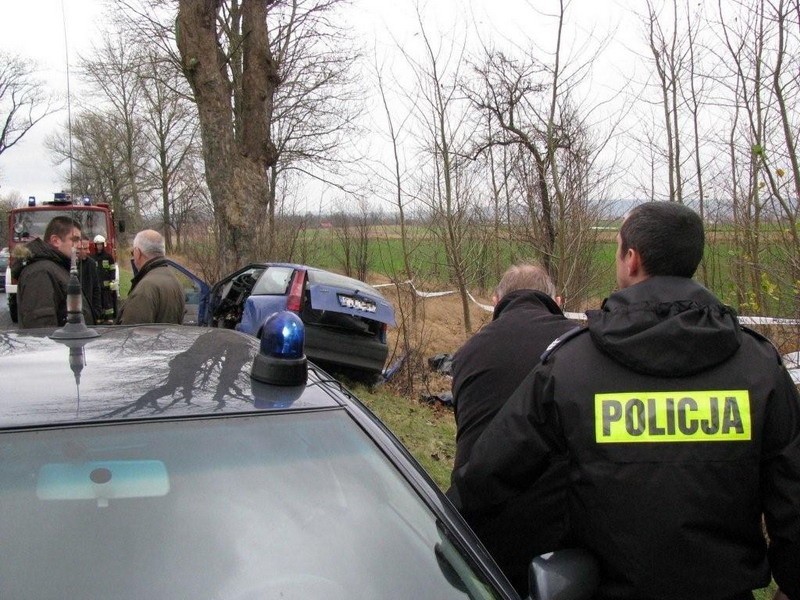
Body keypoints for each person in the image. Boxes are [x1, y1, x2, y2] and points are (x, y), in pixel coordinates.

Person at [449, 202, 800, 600]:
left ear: (631, 259)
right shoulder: (759, 367)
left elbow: (484, 476)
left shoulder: (571, 365)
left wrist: (440, 541)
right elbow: (792, 497)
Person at [448, 263, 578, 594]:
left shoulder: (468, 353)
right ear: (557, 300)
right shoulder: (579, 347)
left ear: (496, 300)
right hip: (561, 545)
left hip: (478, 532)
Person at [14, 216, 95, 328]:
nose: (80, 246)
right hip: (59, 345)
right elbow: (41, 332)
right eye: (75, 240)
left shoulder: (56, 268)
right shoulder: (41, 273)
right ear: (55, 241)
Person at [116, 229, 185, 325]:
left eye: (133, 253)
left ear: (137, 252)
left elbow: (131, 333)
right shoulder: (175, 280)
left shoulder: (145, 288)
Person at [77, 236, 102, 323]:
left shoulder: (91, 264)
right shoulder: (67, 266)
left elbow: (96, 288)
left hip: (89, 315)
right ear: (77, 248)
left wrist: (96, 312)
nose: (88, 251)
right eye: (86, 248)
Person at [93, 234, 117, 323]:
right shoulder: (93, 258)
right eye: (98, 244)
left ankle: (109, 318)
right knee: (98, 302)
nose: (99, 246)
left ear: (103, 245)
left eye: (101, 244)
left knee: (108, 302)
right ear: (95, 245)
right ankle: (100, 317)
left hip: (107, 286)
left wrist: (112, 281)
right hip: (97, 285)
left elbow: (112, 269)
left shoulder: (108, 257)